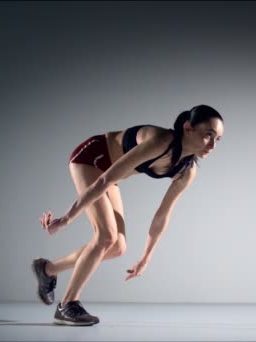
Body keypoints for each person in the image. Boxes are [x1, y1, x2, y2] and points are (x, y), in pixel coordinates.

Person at [32, 104, 224, 326]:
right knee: (105, 236)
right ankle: (67, 305)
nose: (212, 144)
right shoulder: (161, 141)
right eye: (208, 135)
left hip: (110, 175)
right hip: (91, 159)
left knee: (117, 247)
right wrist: (66, 219)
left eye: (217, 139)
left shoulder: (186, 171)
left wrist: (146, 257)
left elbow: (162, 215)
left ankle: (47, 269)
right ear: (188, 127)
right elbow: (103, 181)